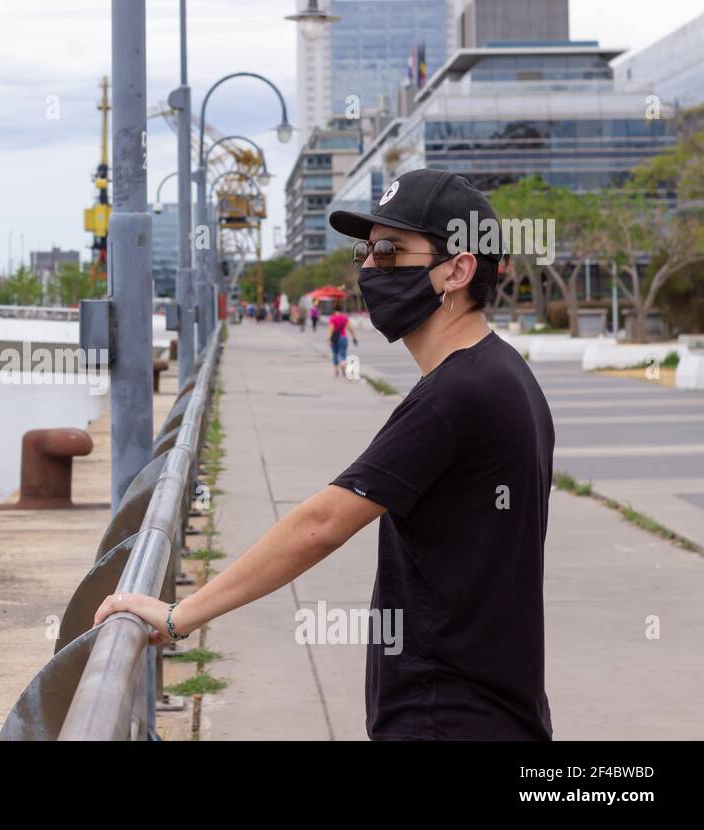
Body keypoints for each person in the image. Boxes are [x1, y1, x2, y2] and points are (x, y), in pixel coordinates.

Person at [95, 168, 553, 741]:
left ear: (457, 269)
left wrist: (176, 615)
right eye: (366, 250)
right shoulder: (508, 375)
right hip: (497, 709)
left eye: (389, 251)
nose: (367, 267)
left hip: (446, 716)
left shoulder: (457, 394)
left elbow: (324, 522)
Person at [327, 303, 358, 377]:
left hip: (335, 339)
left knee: (335, 354)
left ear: (334, 310)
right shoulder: (344, 318)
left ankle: (336, 371)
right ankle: (343, 363)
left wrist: (329, 339)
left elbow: (331, 329)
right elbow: (350, 328)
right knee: (343, 354)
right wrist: (354, 337)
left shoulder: (332, 318)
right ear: (341, 310)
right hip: (343, 337)